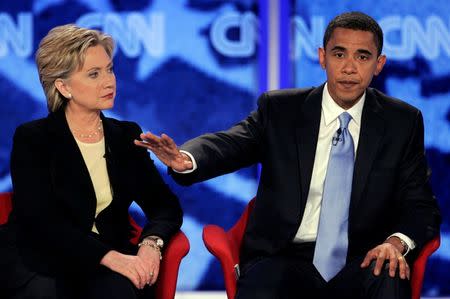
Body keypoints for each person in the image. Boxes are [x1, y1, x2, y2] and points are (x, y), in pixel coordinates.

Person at [135, 11, 441, 299]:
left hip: (362, 257)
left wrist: (395, 242)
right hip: (283, 255)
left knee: (388, 275)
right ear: (322, 58)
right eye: (339, 54)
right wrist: (188, 160)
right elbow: (233, 143)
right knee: (264, 284)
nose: (349, 68)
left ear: (379, 64)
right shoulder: (281, 110)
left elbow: (420, 204)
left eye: (362, 57)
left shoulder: (402, 122)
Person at [0, 24, 183, 299]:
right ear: (63, 87)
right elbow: (41, 221)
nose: (109, 81)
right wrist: (110, 257)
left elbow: (164, 206)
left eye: (109, 69)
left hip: (105, 261)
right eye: (94, 74)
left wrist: (151, 243)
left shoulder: (126, 136)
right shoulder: (33, 138)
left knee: (119, 291)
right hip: (41, 257)